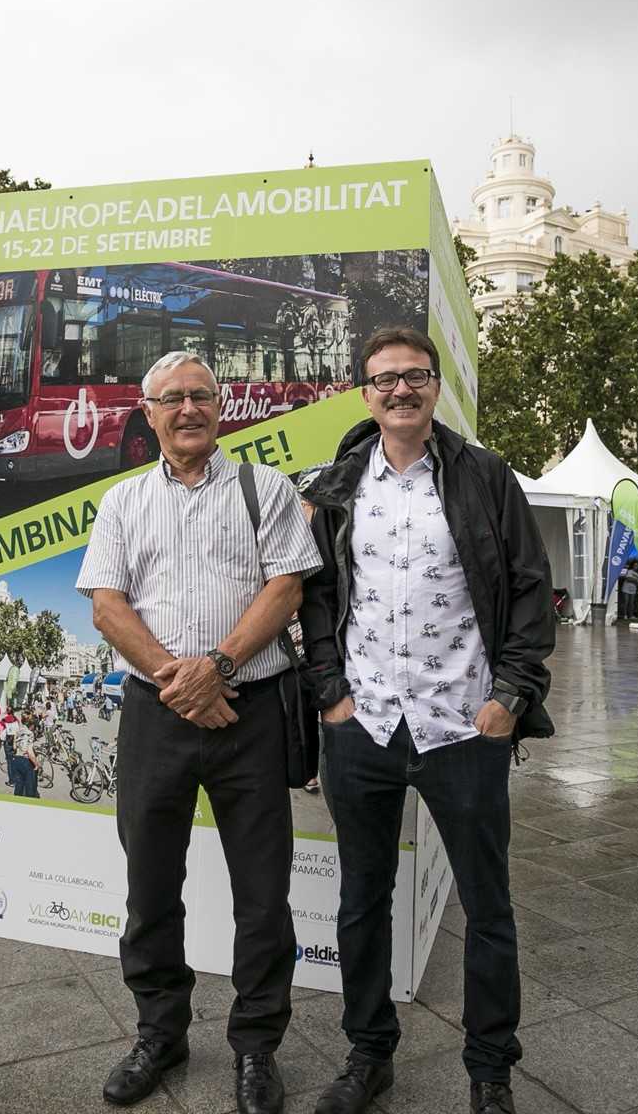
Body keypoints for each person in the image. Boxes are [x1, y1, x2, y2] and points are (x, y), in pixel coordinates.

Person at [298, 328, 553, 1114]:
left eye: (413, 377)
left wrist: (509, 697)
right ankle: (368, 1054)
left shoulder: (485, 476)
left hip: (463, 728)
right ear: (364, 394)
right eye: (383, 381)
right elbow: (315, 596)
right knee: (361, 903)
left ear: (435, 386)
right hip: (364, 726)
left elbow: (530, 589)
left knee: (489, 908)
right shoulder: (337, 484)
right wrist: (331, 695)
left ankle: (490, 1072)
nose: (399, 391)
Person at [77, 349, 321, 1114]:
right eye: (172, 398)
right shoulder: (121, 503)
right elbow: (107, 605)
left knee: (263, 895)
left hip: (251, 712)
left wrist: (216, 665)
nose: (189, 409)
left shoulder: (266, 488)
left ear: (223, 408)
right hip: (159, 716)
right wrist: (181, 683)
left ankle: (257, 1048)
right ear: (147, 414)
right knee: (151, 887)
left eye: (202, 396)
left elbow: (286, 588)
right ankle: (160, 1033)